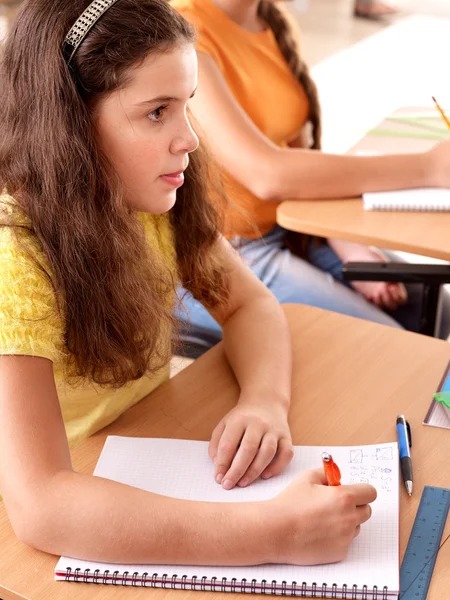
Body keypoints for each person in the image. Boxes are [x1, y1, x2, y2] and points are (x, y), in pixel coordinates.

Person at [0, 0, 376, 568]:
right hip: (66, 514)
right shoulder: (15, 253)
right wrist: (270, 533)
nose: (189, 139)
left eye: (185, 106)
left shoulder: (149, 196)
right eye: (157, 112)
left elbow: (249, 303)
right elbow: (41, 506)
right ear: (70, 121)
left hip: (139, 449)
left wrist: (265, 402)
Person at [171, 0, 450, 352]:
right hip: (223, 251)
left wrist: (347, 244)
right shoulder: (183, 34)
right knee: (394, 350)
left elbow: (299, 158)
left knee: (433, 308)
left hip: (286, 229)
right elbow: (267, 173)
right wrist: (427, 167)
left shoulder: (271, 20)